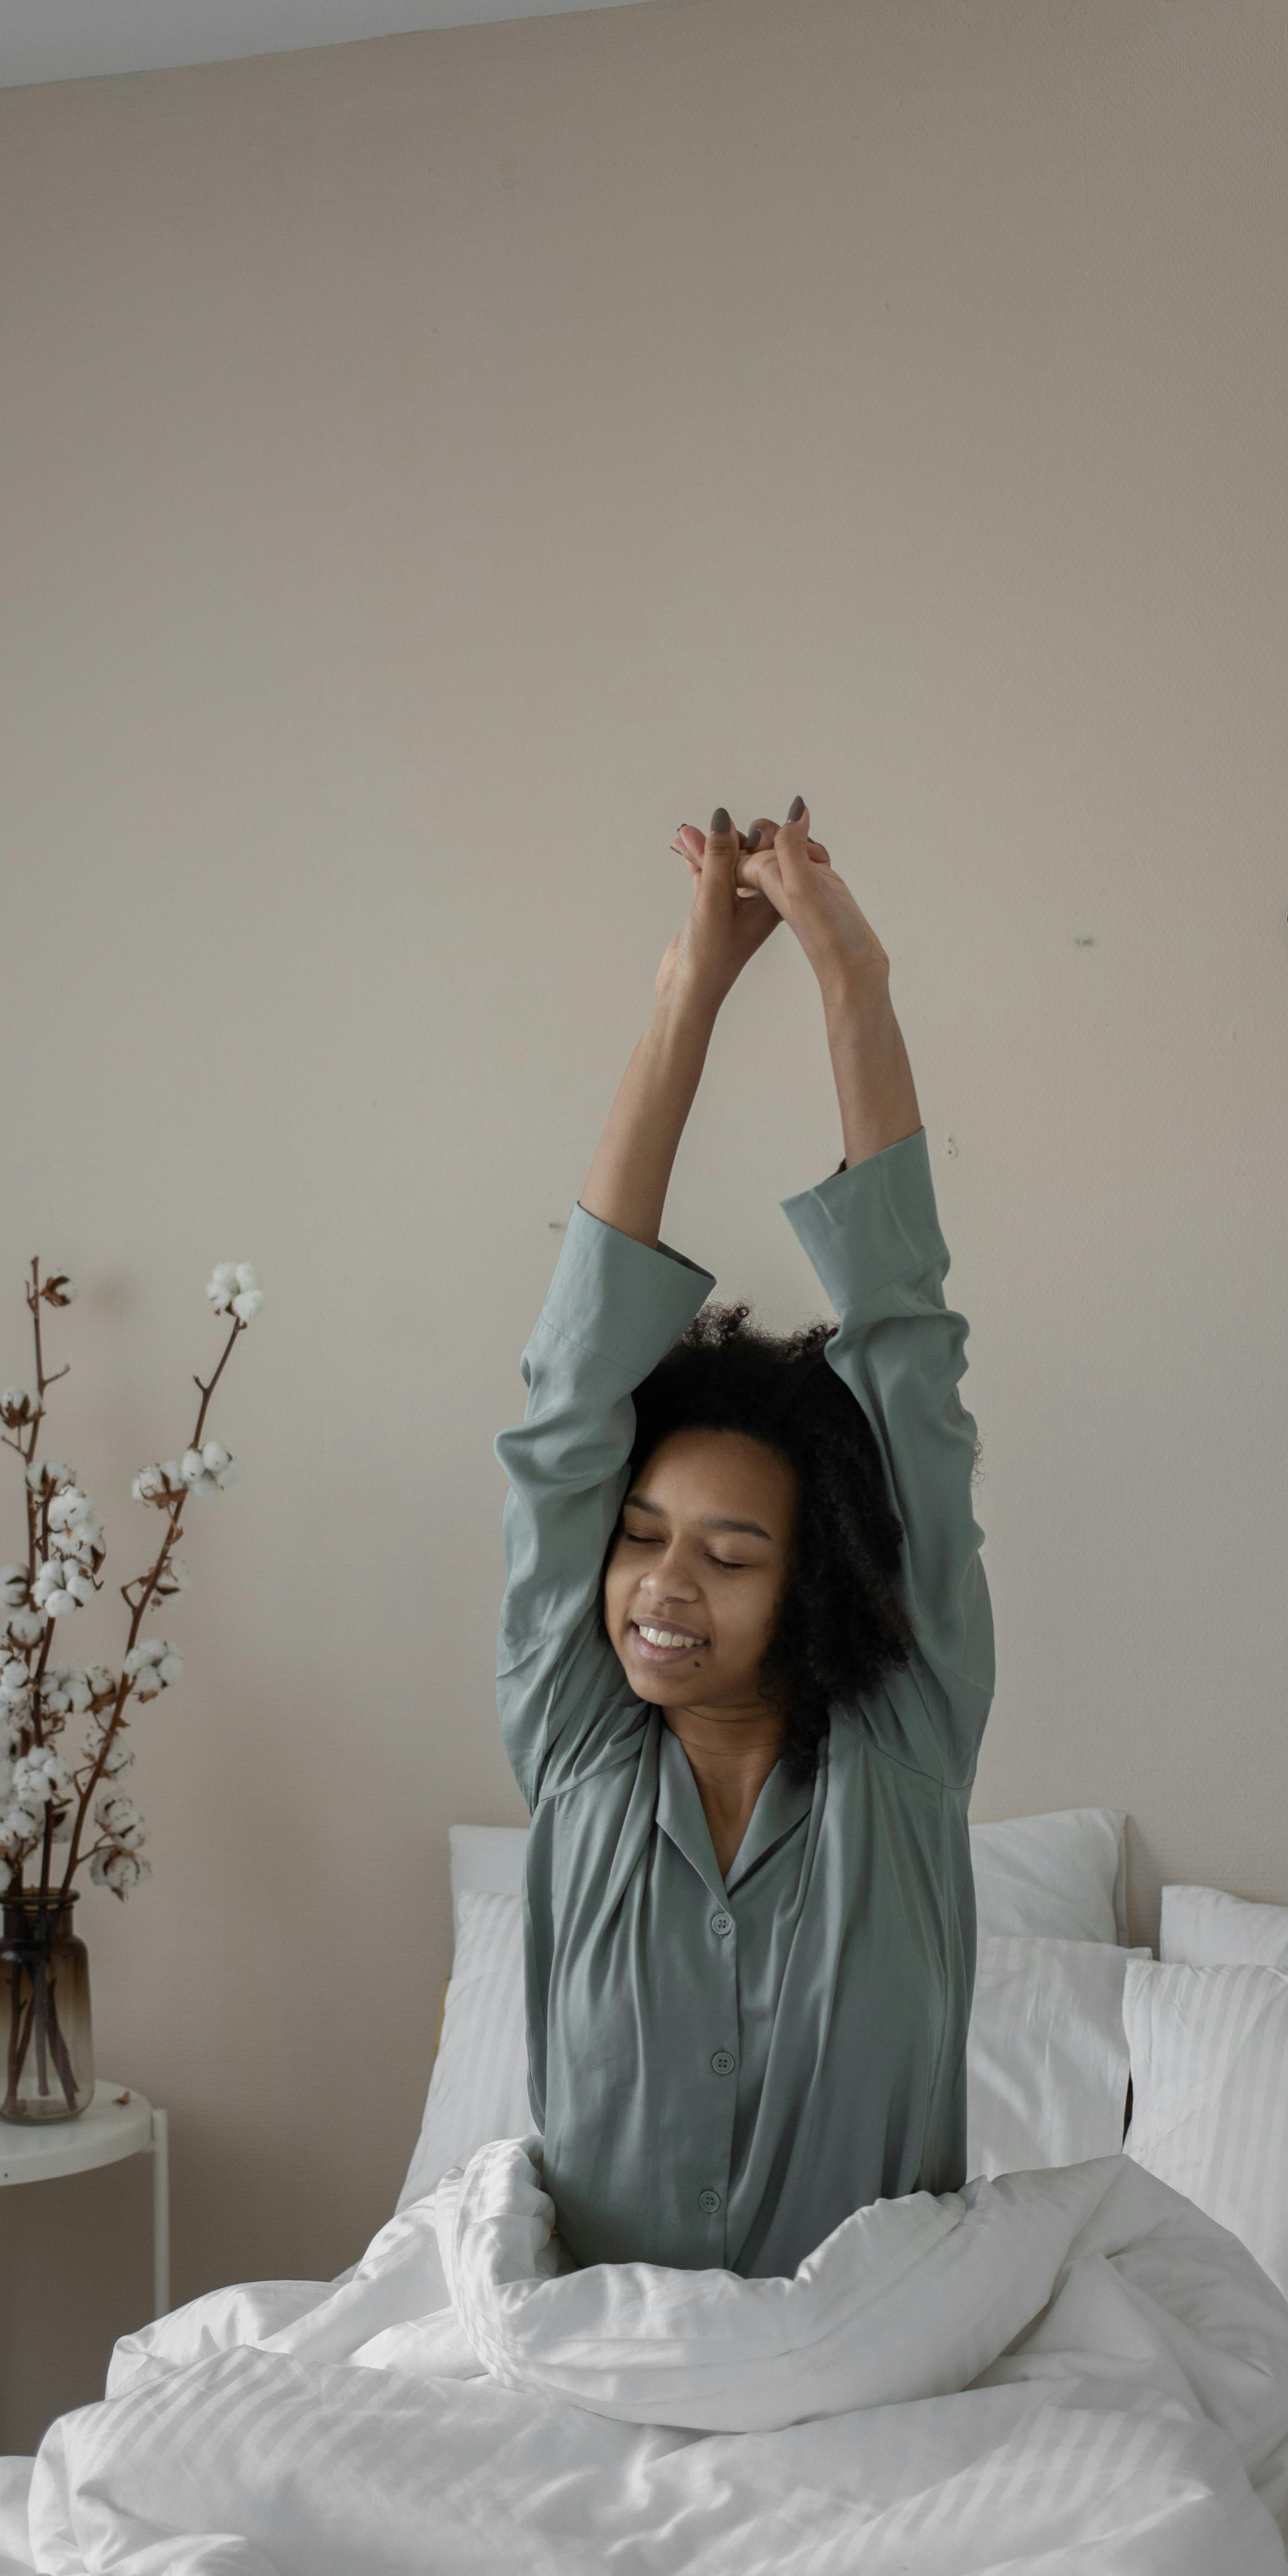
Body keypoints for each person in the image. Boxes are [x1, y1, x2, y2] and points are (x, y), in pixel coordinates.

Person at [493, 801, 995, 2277]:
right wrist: (685, 994)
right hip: (601, 2393)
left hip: (869, 2404)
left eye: (729, 1554)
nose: (660, 1583)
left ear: (818, 1582)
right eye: (643, 1534)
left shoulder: (906, 1747)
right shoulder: (574, 1738)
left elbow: (906, 1344)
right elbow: (569, 1389)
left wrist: (853, 981)